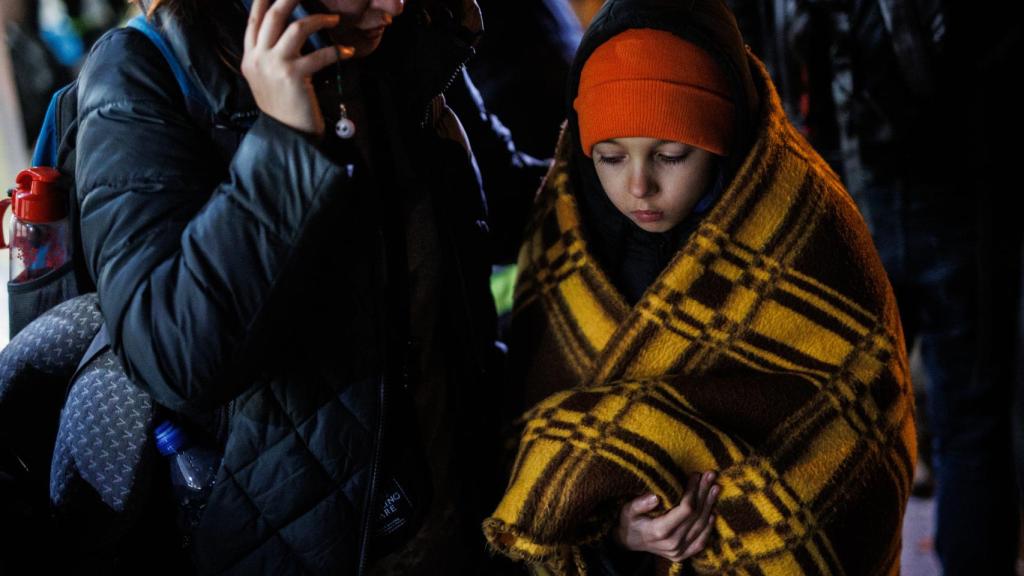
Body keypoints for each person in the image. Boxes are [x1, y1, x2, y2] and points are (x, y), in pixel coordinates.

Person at [70, 0, 546, 573]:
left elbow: (502, 212)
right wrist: (285, 144)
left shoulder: (399, 46)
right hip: (299, 543)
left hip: (457, 517)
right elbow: (172, 355)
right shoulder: (141, 73)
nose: (392, 3)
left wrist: (607, 151)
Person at [484, 0, 916, 574]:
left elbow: (860, 441)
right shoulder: (565, 232)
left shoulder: (811, 236)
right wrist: (615, 532)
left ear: (723, 139)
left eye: (671, 154)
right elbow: (534, 448)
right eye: (610, 157)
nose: (639, 186)